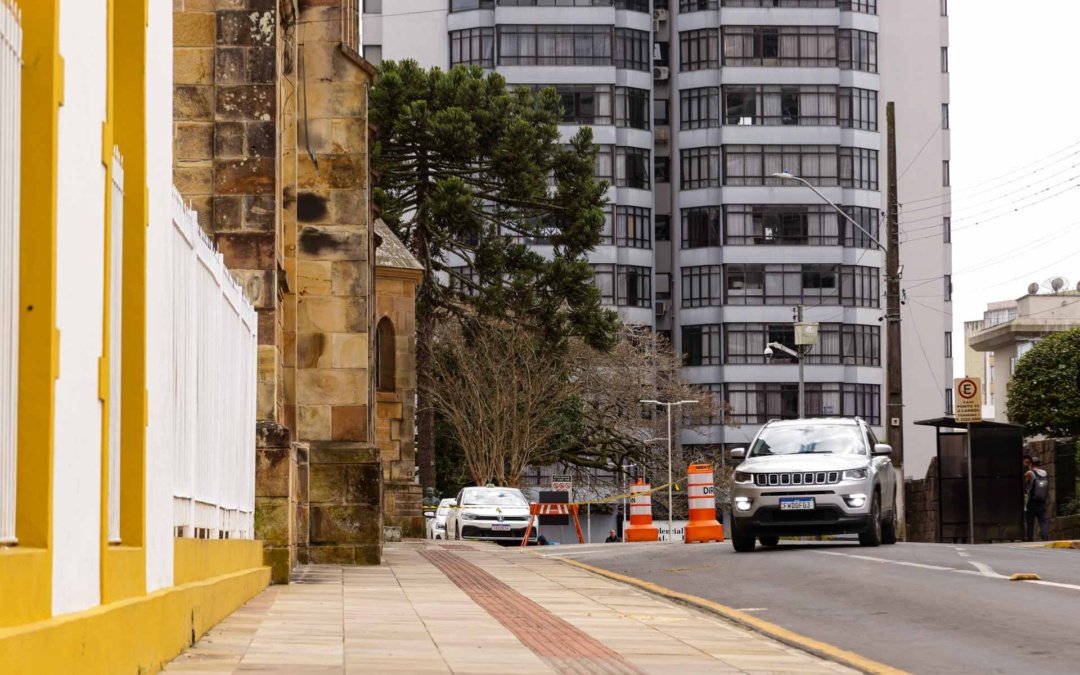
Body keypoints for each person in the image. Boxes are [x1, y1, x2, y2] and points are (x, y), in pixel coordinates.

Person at [1025, 457, 1050, 542]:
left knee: (1030, 521)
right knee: (1043, 520)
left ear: (1031, 464)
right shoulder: (1045, 473)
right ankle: (1045, 536)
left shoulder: (1030, 473)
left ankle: (1030, 538)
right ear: (1040, 464)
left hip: (1032, 501)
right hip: (1042, 501)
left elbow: (1023, 481)